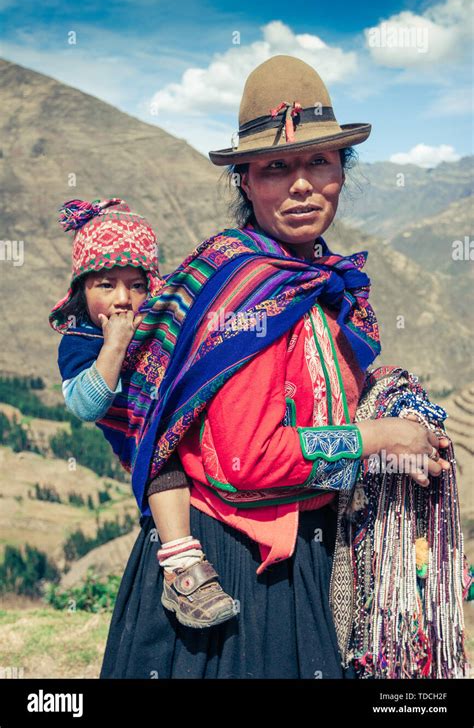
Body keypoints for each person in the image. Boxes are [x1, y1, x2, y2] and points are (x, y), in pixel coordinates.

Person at [99, 55, 470, 679]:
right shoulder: (245, 289)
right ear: (245, 180)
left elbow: (315, 400)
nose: (301, 185)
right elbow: (249, 460)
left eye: (318, 163)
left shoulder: (317, 282)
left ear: (341, 173)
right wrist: (383, 437)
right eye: (276, 167)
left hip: (303, 555)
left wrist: (392, 406)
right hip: (234, 576)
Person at [48, 197, 238, 628]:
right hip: (146, 445)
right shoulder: (80, 342)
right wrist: (114, 345)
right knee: (163, 471)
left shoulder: (159, 323)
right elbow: (85, 405)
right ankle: (182, 571)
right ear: (82, 289)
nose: (123, 299)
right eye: (106, 285)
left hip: (192, 430)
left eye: (136, 285)